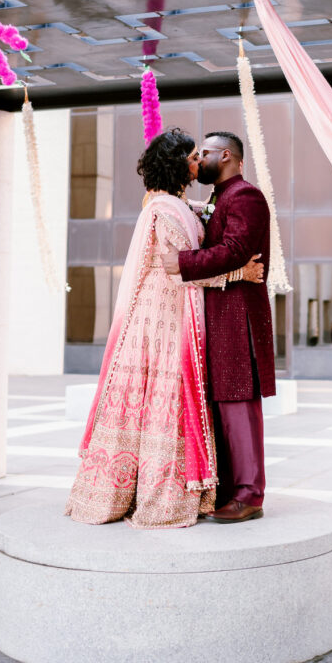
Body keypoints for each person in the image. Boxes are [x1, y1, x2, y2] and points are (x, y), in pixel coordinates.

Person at [65, 128, 263, 529]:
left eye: (200, 155)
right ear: (177, 165)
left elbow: (191, 242)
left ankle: (192, 488)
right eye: (192, 156)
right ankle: (156, 493)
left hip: (176, 314)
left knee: (170, 400)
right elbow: (176, 269)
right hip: (163, 317)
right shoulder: (163, 209)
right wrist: (238, 272)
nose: (197, 162)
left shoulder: (174, 204)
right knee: (164, 399)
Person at [162, 131, 276, 524]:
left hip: (238, 315)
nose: (199, 162)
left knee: (239, 403)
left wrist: (184, 262)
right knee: (221, 405)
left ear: (226, 155)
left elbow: (236, 251)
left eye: (204, 154)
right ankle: (229, 490)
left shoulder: (245, 195)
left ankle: (250, 494)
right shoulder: (219, 198)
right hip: (220, 314)